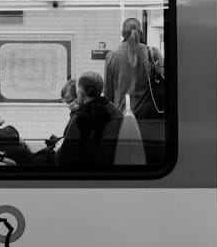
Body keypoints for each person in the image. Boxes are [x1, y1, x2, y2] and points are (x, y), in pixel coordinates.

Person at [104, 17, 164, 164]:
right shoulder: (153, 53)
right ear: (141, 32)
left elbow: (108, 94)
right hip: (148, 119)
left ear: (122, 33)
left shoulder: (111, 56)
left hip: (120, 119)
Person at [57, 72, 122, 167]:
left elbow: (63, 158)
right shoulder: (116, 113)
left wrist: (57, 150)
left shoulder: (82, 116)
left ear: (80, 92)